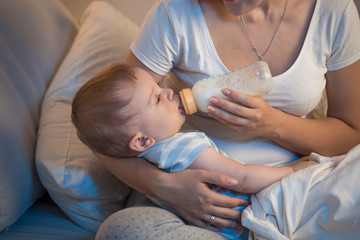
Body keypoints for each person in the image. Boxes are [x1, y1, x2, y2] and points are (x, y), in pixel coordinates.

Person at [94, 0, 360, 239]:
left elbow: (351, 133)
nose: (167, 91)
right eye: (157, 97)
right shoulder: (175, 12)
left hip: (291, 188)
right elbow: (108, 132)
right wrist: (166, 186)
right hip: (190, 195)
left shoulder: (333, 12)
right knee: (120, 230)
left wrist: (273, 124)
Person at [71, 63, 317, 239]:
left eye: (159, 86)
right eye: (156, 99)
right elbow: (241, 178)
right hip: (240, 224)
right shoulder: (183, 149)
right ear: (142, 140)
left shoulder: (150, 156)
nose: (167, 91)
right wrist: (292, 169)